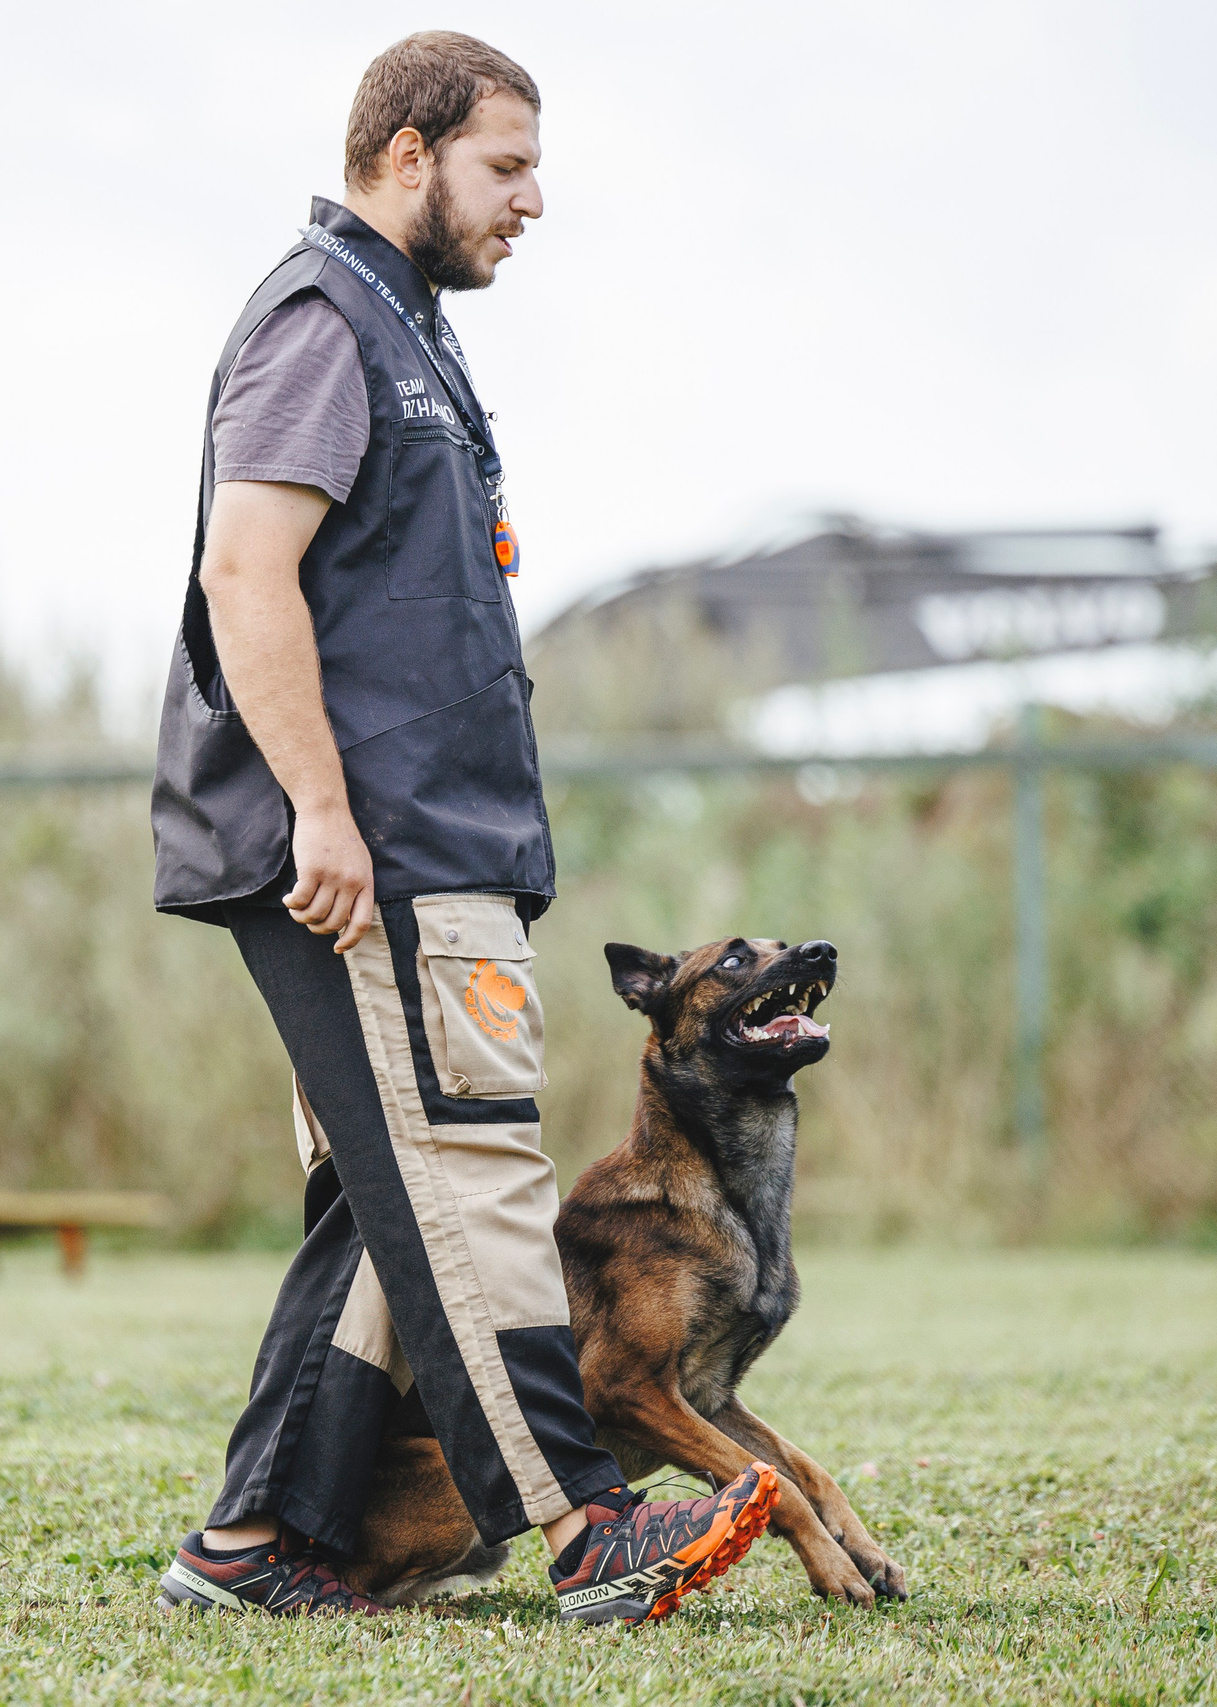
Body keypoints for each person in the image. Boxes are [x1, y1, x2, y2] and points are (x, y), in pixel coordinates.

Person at [149, 32, 774, 1623]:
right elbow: (247, 575)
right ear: (407, 153)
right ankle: (585, 1529)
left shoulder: (407, 332)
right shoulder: (322, 317)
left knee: (385, 1195)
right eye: (507, 167)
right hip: (378, 857)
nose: (535, 202)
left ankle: (256, 1540)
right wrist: (323, 817)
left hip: (438, 850)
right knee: (470, 1174)